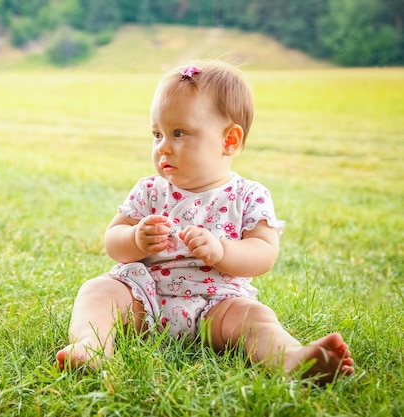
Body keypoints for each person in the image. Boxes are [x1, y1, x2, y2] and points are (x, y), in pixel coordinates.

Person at [55, 60, 354, 384]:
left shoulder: (247, 195)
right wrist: (136, 239)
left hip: (218, 306)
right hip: (146, 297)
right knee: (98, 291)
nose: (163, 147)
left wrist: (222, 250)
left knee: (256, 318)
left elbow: (264, 253)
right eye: (157, 133)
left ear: (229, 140)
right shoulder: (150, 190)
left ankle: (292, 359)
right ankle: (91, 347)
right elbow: (113, 240)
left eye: (179, 133)